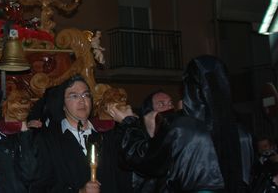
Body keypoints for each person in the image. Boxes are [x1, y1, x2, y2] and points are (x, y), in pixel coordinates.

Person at [108, 55, 254, 192]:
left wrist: (129, 122)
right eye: (161, 104)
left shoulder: (180, 129)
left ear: (190, 88)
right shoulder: (243, 133)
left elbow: (145, 161)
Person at [32, 74, 132, 193]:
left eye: (86, 95)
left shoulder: (108, 135)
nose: (82, 100)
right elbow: (40, 187)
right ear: (63, 105)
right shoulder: (48, 140)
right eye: (74, 96)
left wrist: (130, 124)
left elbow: (126, 178)